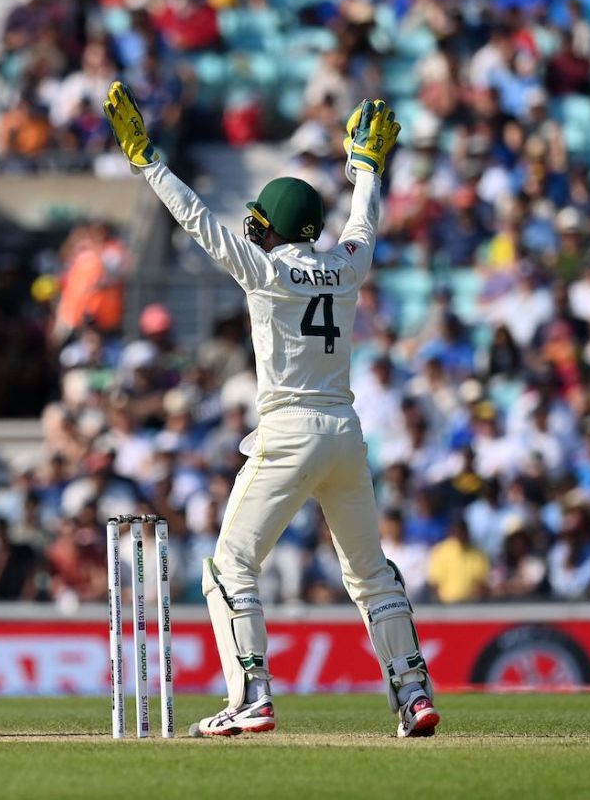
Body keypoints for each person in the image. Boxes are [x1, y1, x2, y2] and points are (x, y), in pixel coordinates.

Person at [103, 84, 439, 738]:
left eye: (263, 219)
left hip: (287, 431)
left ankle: (252, 695)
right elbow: (363, 221)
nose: (254, 226)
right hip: (344, 433)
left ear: (279, 227)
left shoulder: (266, 271)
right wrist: (367, 167)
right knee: (371, 572)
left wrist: (148, 162)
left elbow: (198, 222)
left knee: (228, 566)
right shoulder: (347, 267)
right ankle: (413, 692)